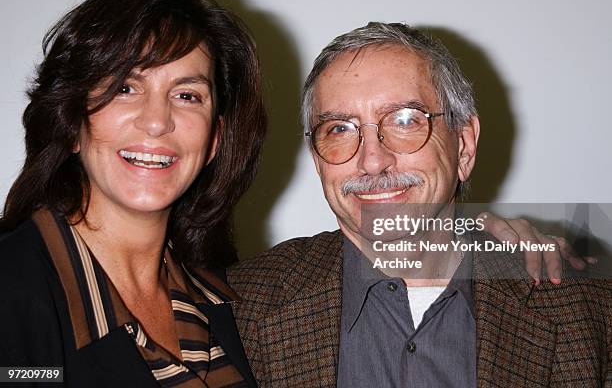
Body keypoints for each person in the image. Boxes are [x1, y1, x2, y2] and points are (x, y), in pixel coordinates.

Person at [227, 22, 611, 387]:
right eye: (340, 129)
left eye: (406, 120)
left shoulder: (590, 312)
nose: (373, 160)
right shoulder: (240, 306)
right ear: (316, 158)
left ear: (464, 144)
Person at [0, 0, 265, 387]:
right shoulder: (11, 291)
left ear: (214, 140)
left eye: (188, 95)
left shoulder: (227, 299)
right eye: (125, 88)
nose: (157, 121)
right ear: (71, 122)